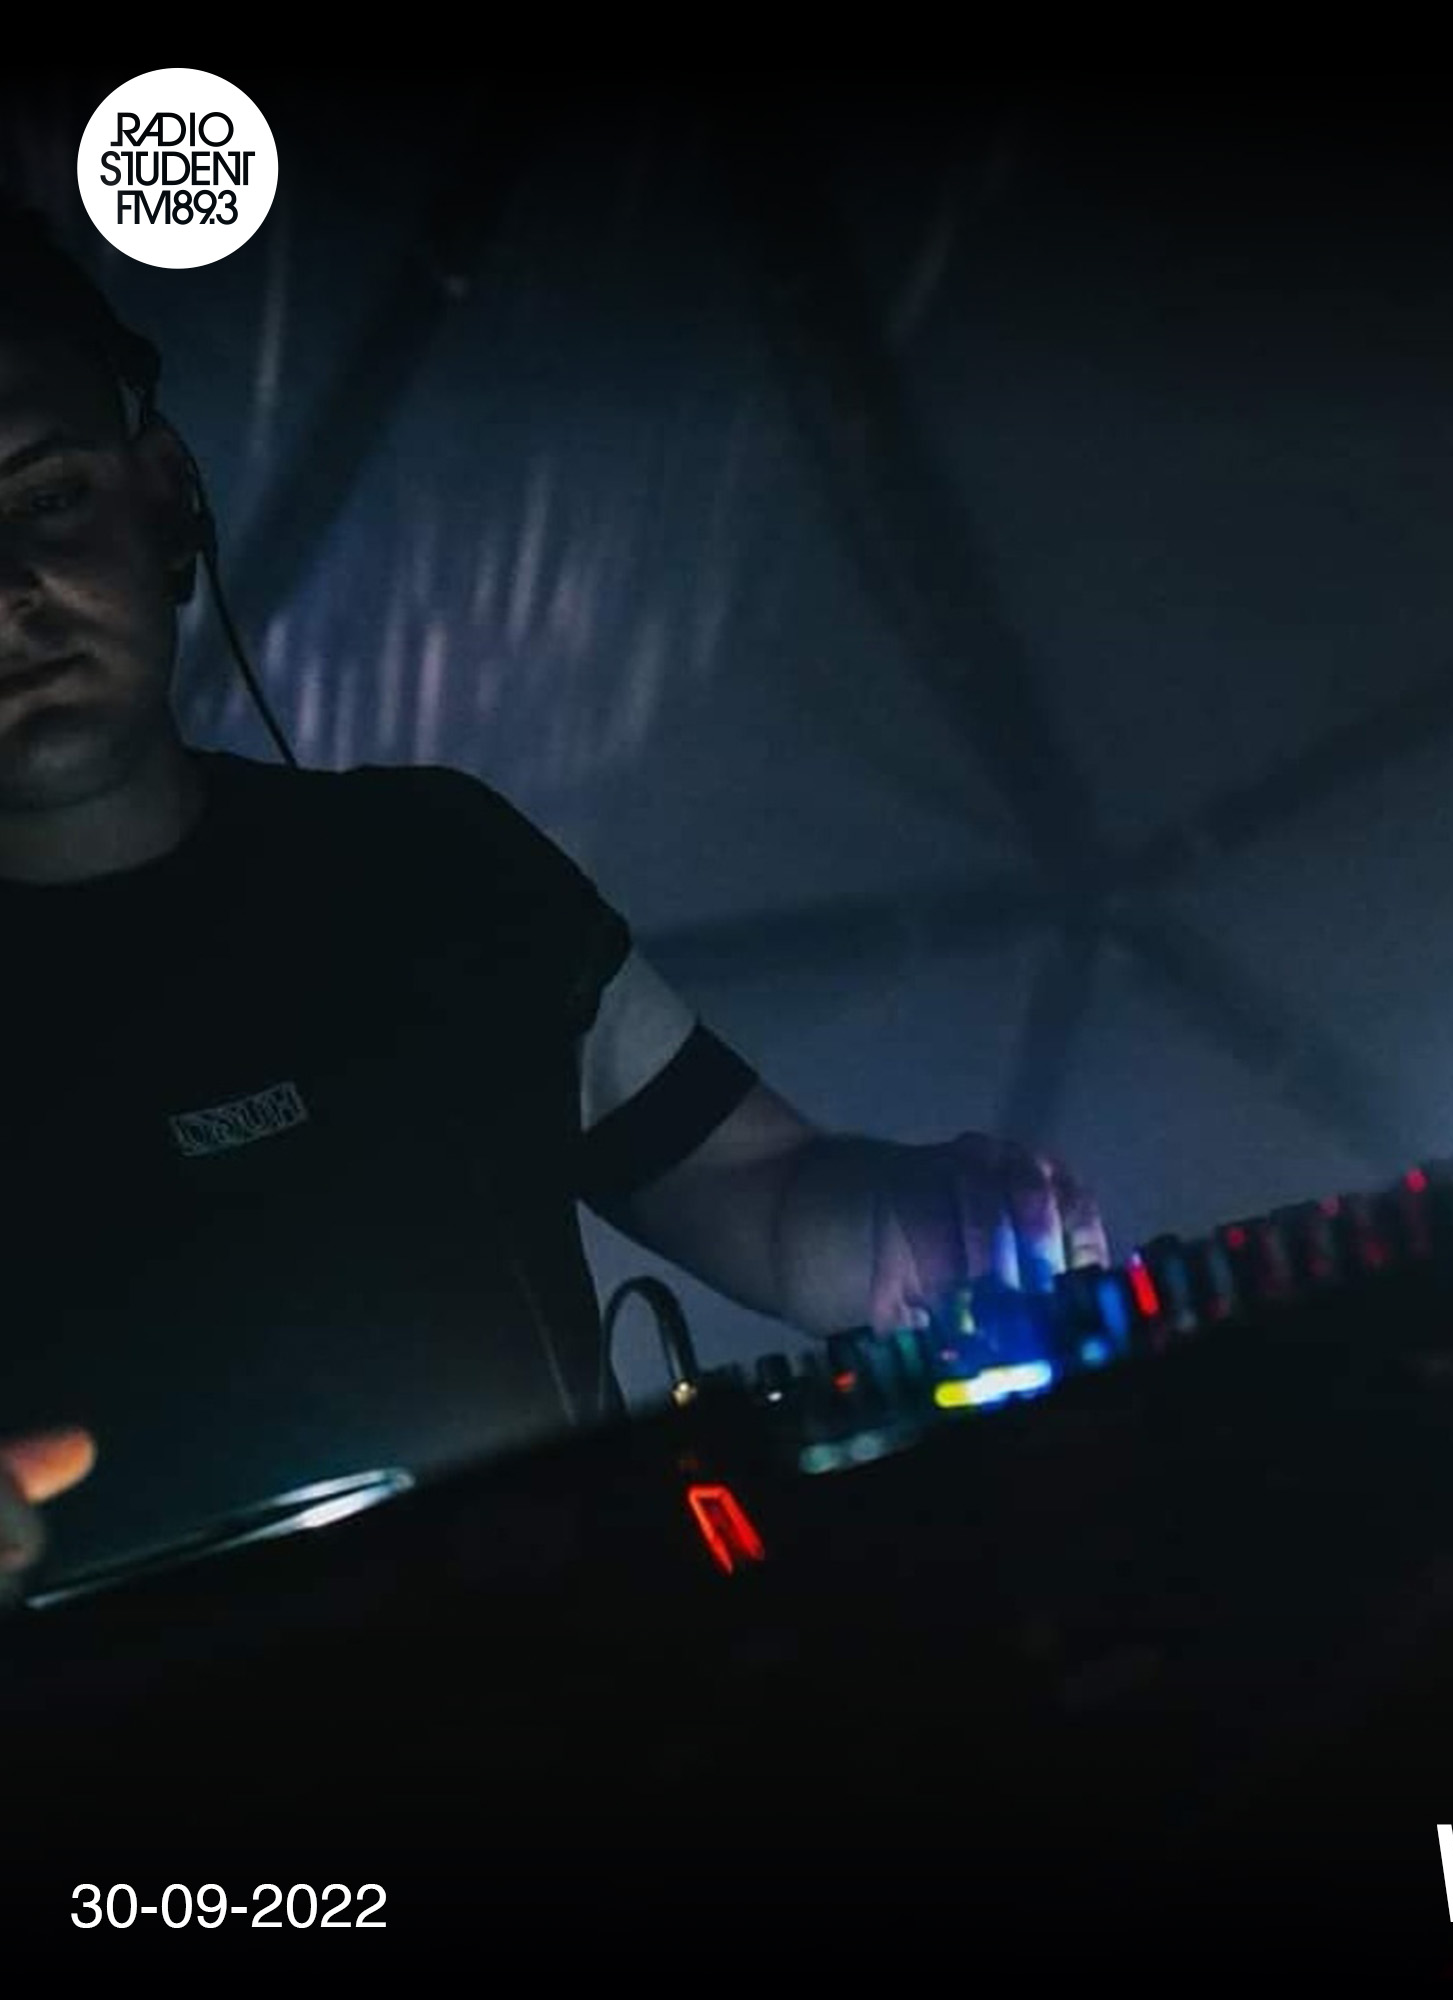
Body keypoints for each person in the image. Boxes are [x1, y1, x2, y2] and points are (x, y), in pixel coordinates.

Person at [0, 203, 1108, 1594]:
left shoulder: (434, 862)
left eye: (47, 498)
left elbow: (754, 1186)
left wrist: (930, 1228)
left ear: (164, 495)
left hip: (589, 1689)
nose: (8, 594)